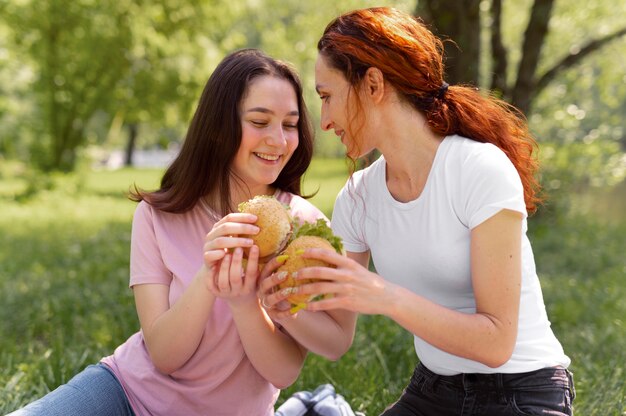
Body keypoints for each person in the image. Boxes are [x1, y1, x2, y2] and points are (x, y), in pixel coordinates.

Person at [8, 48, 356, 416]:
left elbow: (284, 372)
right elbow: (163, 356)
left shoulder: (303, 229)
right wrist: (208, 277)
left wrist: (249, 303)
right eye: (259, 121)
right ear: (220, 127)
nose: (279, 140)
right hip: (127, 394)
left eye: (289, 124)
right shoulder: (157, 216)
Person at [280, 7, 575, 416]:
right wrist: (273, 296)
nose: (325, 121)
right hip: (433, 391)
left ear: (373, 84)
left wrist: (385, 297)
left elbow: (496, 343)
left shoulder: (478, 169)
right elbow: (334, 338)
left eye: (327, 97)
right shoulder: (358, 197)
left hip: (521, 391)